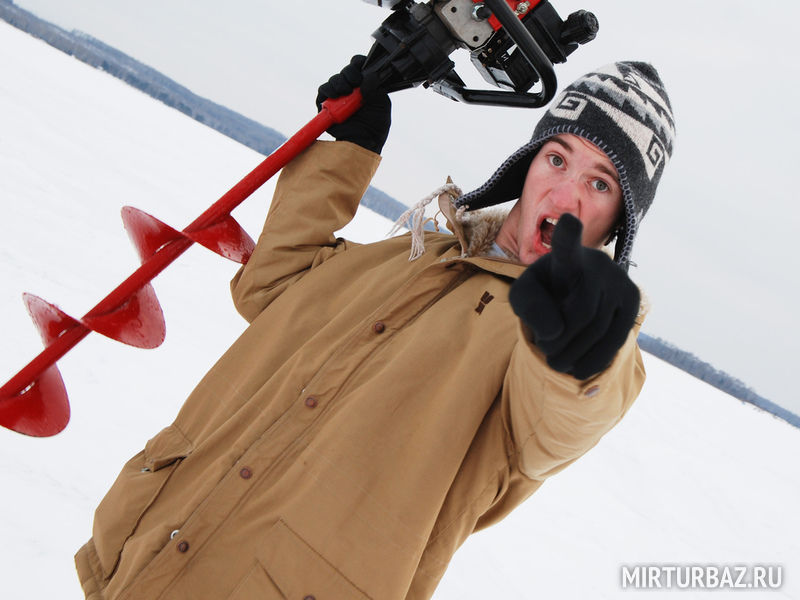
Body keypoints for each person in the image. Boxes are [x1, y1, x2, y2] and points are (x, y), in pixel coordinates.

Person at [75, 58, 675, 599]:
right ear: (528, 164)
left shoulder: (556, 346)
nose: (566, 192)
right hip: (148, 552)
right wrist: (345, 152)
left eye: (600, 182)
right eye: (558, 157)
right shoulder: (422, 254)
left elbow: (562, 422)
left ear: (618, 222)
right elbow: (277, 291)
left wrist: (582, 357)